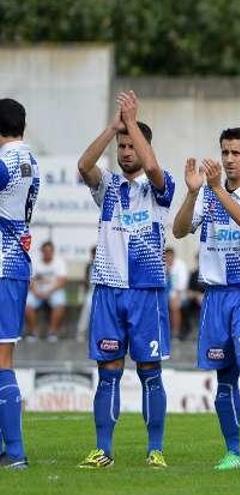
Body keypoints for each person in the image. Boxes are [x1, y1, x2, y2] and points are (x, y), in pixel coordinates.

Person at [172, 127, 240, 470]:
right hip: (216, 294)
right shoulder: (206, 195)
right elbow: (178, 230)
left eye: (236, 153)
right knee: (224, 374)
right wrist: (192, 194)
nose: (229, 159)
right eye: (224, 153)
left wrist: (217, 188)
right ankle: (233, 451)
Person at [76, 91, 175, 469]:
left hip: (146, 292)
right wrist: (113, 127)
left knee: (150, 372)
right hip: (108, 290)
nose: (125, 150)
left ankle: (155, 449)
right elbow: (85, 165)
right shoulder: (109, 187)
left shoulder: (159, 189)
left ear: (145, 146)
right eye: (122, 145)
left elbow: (154, 171)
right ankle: (104, 449)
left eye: (132, 145)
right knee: (108, 372)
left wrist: (133, 124)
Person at [0, 98, 40, 470]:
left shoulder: (6, 162)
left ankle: (14, 452)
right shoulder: (31, 160)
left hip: (2, 265)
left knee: (2, 361)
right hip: (13, 265)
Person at [25, 240, 68, 342]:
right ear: (42, 251)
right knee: (27, 304)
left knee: (60, 303)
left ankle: (53, 332)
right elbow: (29, 280)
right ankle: (33, 332)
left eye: (49, 251)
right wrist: (35, 291)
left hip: (53, 291)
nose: (47, 253)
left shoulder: (59, 262)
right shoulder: (35, 262)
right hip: (37, 292)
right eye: (45, 251)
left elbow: (62, 282)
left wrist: (48, 292)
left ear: (53, 251)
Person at [163, 247, 188, 340]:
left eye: (170, 256)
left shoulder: (181, 265)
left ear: (173, 256)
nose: (168, 258)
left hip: (178, 292)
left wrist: (175, 296)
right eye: (166, 257)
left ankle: (175, 332)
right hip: (164, 292)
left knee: (174, 306)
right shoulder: (162, 265)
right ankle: (163, 331)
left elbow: (182, 284)